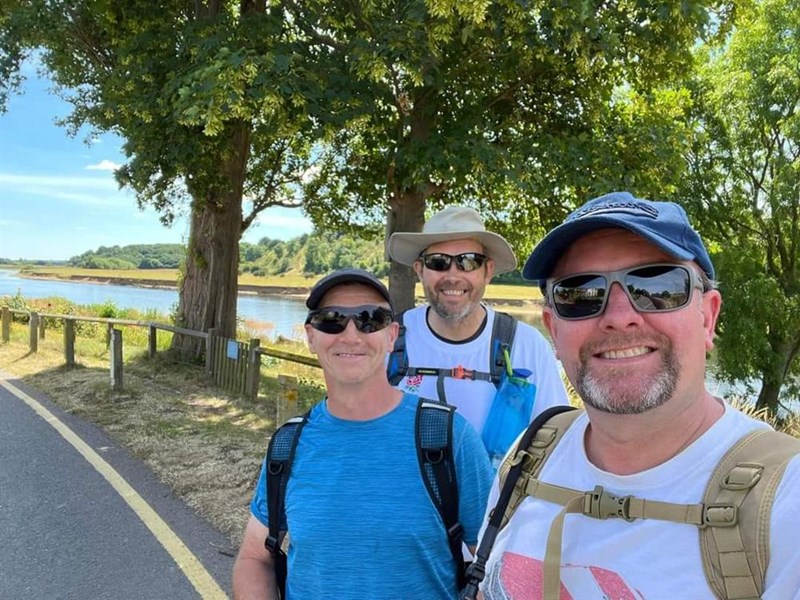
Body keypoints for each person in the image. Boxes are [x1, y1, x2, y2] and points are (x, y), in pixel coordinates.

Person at [475, 192, 800, 599]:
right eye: (580, 293)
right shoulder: (529, 456)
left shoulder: (786, 501)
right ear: (553, 330)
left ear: (708, 316)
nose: (618, 317)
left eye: (657, 285)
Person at [231, 268, 493, 600]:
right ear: (311, 336)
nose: (351, 335)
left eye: (370, 319)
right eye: (332, 320)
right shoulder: (288, 444)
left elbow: (494, 566)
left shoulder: (448, 437)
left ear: (392, 335)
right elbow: (256, 556)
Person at [387, 205, 569, 458]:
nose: (453, 276)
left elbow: (557, 446)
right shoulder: (387, 340)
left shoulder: (527, 345)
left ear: (488, 271)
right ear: (419, 270)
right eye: (438, 262)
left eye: (468, 262)